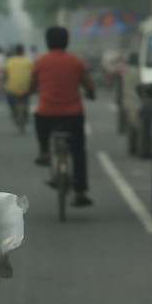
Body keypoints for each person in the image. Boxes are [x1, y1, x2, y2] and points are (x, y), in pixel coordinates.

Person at [30, 26, 96, 207]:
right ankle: (80, 192)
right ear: (67, 42)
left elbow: (31, 85)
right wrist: (91, 94)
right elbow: (89, 86)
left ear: (47, 42)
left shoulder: (40, 62)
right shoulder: (76, 62)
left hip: (47, 114)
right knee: (78, 152)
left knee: (38, 116)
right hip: (73, 114)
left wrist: (33, 90)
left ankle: (44, 151)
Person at [4, 44, 33, 129]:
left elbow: (5, 75)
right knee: (26, 100)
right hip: (26, 89)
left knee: (9, 97)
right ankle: (26, 113)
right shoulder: (28, 61)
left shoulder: (9, 61)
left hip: (13, 89)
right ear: (23, 52)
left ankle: (14, 112)